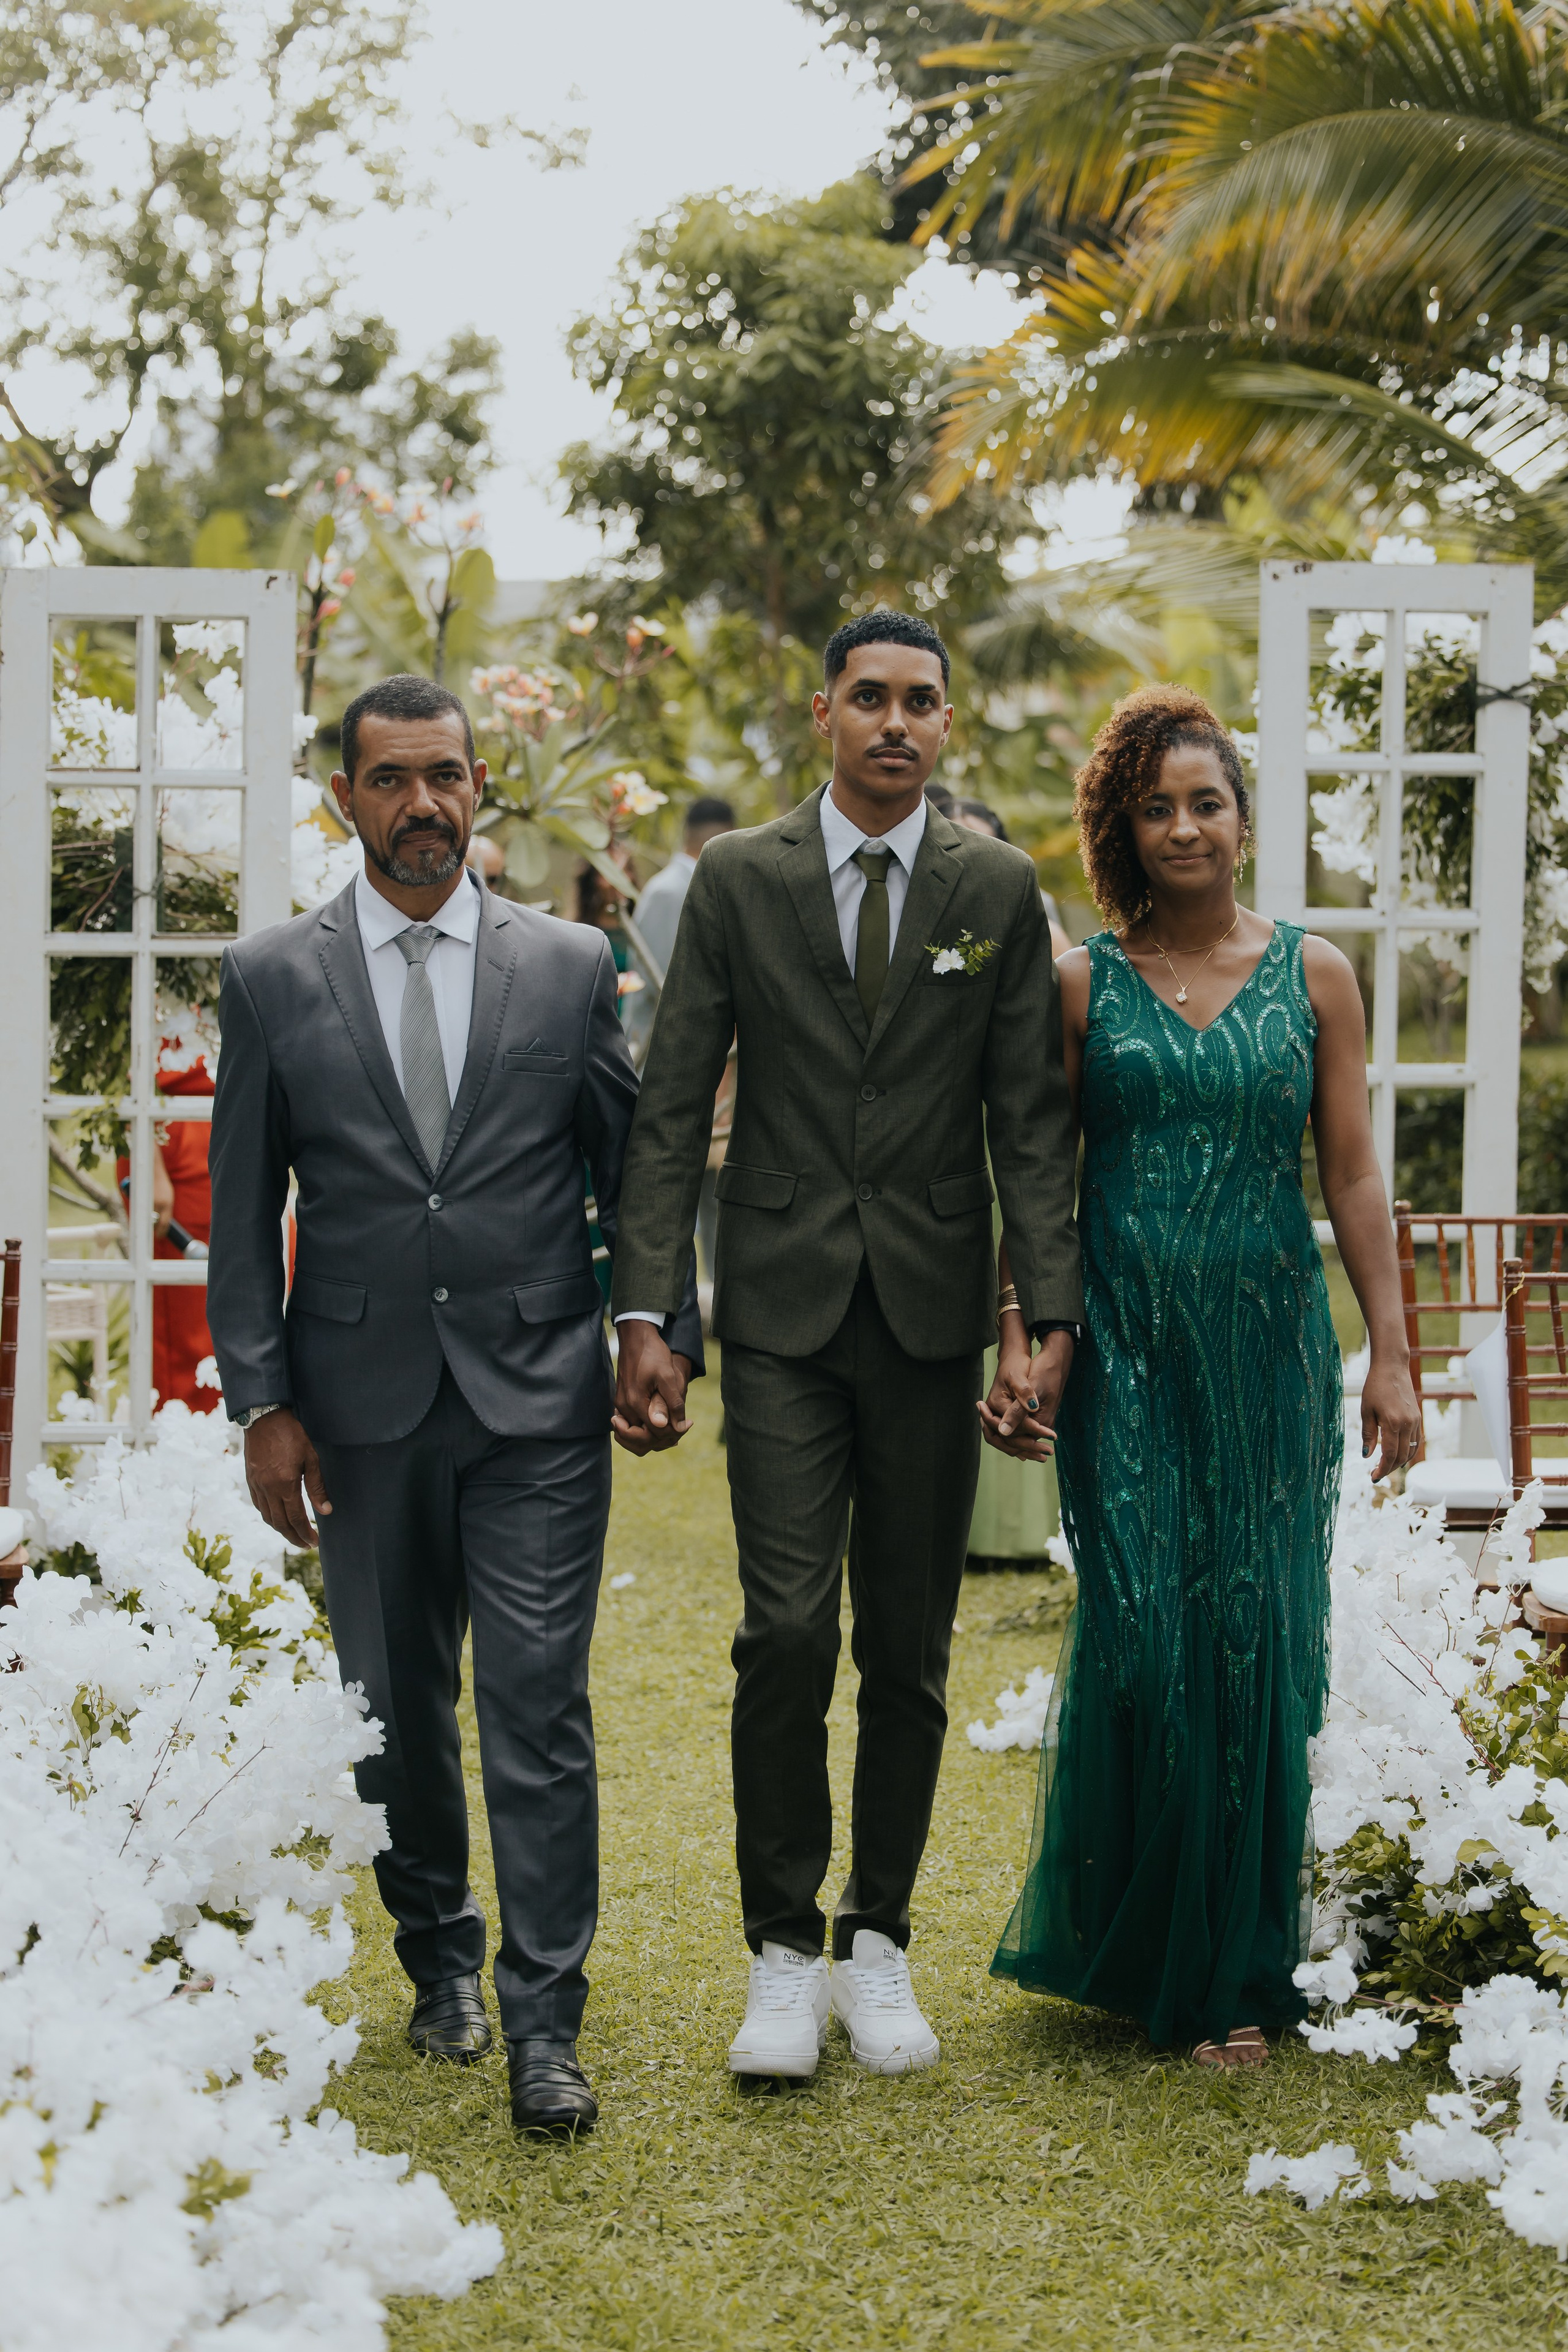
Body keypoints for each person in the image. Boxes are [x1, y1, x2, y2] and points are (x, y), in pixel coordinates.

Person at [206, 673, 702, 2136]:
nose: (423, 805)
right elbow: (243, 1214)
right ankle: (441, 1960)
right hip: (355, 1404)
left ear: (479, 786)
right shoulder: (272, 977)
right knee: (395, 1710)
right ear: (345, 797)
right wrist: (263, 1401)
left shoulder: (564, 963)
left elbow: (632, 1169)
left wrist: (653, 1321)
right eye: (392, 780)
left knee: (536, 1702)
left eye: (448, 777)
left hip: (538, 1396)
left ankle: (549, 2022)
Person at [609, 608, 1082, 2080]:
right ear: (821, 714)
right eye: (867, 698)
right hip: (783, 1306)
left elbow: (1029, 1118)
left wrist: (1041, 1314)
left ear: (946, 726)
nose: (894, 722)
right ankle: (778, 1948)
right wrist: (650, 1310)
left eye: (919, 702)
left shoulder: (990, 887)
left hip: (933, 1308)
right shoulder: (735, 883)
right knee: (785, 1630)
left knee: (909, 1643)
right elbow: (670, 1102)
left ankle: (876, 1942)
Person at [984, 685, 1420, 2068]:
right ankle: (1141, 1932)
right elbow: (1038, 1181)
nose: (1183, 826)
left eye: (1204, 801)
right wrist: (1022, 1328)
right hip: (1124, 1353)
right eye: (1154, 806)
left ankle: (1231, 1969)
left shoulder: (1316, 974)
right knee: (1151, 1637)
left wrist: (1392, 1354)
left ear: (1242, 816)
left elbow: (1350, 1171)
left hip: (1268, 1350)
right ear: (1124, 827)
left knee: (1258, 1641)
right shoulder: (1078, 983)